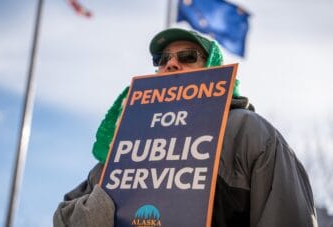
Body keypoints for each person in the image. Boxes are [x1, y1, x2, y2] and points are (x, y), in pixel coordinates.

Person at [53, 28, 318, 227]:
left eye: (188, 56)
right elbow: (64, 217)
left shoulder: (248, 133)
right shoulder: (122, 148)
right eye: (161, 58)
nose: (170, 63)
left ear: (213, 67)